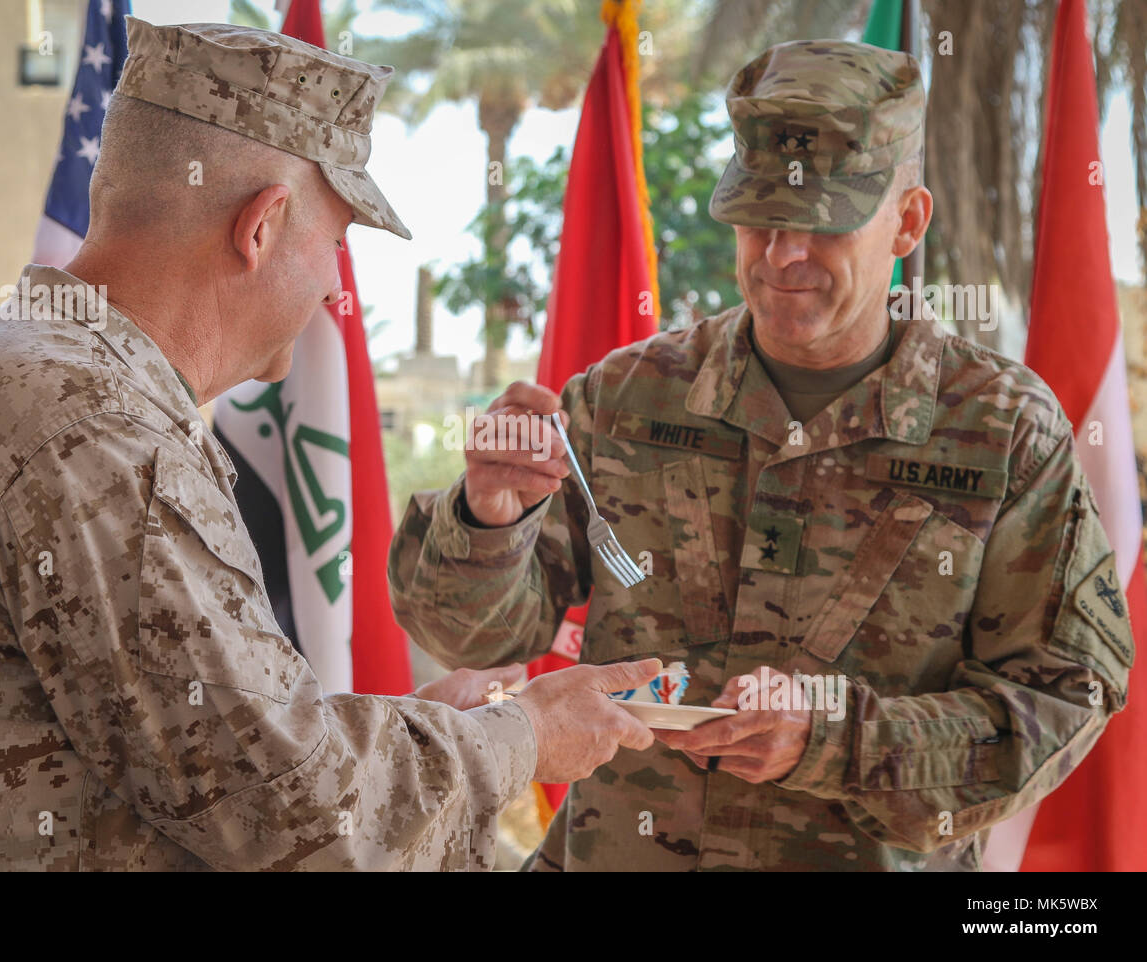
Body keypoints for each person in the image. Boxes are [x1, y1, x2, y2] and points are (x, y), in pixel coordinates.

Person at [0, 18, 662, 872]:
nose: (334, 286)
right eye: (337, 242)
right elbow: (297, 818)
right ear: (262, 225)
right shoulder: (93, 426)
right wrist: (524, 736)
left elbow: (203, 754)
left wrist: (454, 729)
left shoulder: (51, 375)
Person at [388, 39, 1134, 871]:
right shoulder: (628, 397)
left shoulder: (1001, 430)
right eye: (763, 216)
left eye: (823, 223)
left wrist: (835, 741)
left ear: (908, 221)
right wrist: (491, 514)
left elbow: (1064, 697)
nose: (784, 255)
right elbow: (470, 634)